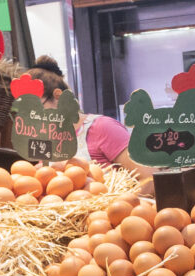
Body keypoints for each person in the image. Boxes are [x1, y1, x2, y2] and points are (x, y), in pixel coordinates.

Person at [26, 56, 155, 195]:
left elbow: (149, 178)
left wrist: (117, 208)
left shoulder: (102, 127)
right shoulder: (43, 142)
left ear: (58, 97)